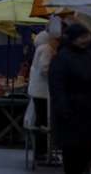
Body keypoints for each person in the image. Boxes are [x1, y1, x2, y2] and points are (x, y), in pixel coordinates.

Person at [48, 23, 91, 174]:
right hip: (72, 118)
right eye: (83, 37)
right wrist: (65, 112)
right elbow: (57, 89)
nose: (87, 39)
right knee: (73, 160)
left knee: (89, 155)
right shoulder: (61, 59)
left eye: (88, 36)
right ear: (73, 38)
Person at [27, 30, 59, 158]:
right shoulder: (47, 49)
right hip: (43, 92)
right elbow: (45, 69)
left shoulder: (40, 49)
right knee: (44, 122)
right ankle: (42, 151)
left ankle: (40, 150)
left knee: (41, 121)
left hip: (37, 91)